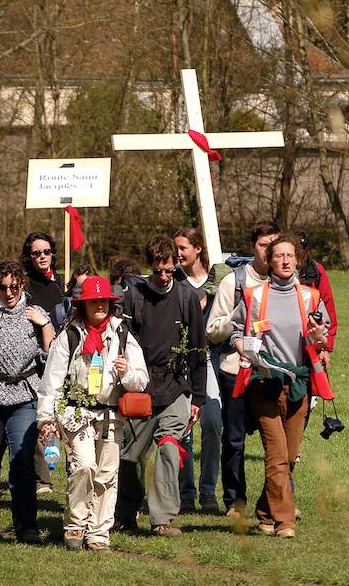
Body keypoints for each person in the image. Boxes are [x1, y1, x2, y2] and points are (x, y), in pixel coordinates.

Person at [229, 233, 329, 539]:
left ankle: (264, 511)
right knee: (275, 452)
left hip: (299, 383)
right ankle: (286, 521)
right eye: (278, 256)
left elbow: (323, 339)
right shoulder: (254, 295)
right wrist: (240, 345)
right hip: (263, 383)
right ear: (269, 261)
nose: (284, 261)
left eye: (290, 256)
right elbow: (234, 331)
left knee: (288, 456)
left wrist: (319, 337)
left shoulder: (311, 297)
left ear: (297, 259)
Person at [37, 275, 148, 551]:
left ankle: (98, 533)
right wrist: (47, 419)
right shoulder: (70, 336)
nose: (99, 305)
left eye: (104, 300)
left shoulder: (122, 334)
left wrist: (126, 372)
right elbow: (51, 381)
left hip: (111, 415)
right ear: (83, 304)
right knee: (84, 466)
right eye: (93, 301)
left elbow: (141, 380)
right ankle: (75, 524)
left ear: (110, 303)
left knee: (107, 474)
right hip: (76, 412)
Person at [115, 236, 207, 537]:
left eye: (169, 270)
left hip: (175, 386)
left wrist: (198, 397)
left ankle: (162, 519)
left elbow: (197, 349)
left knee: (169, 446)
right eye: (158, 271)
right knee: (129, 457)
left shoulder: (186, 297)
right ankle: (125, 514)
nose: (164, 276)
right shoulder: (133, 297)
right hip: (140, 387)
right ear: (149, 268)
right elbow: (120, 343)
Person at [0, 261, 54, 544]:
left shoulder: (35, 313)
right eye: (2, 287)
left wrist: (47, 326)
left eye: (14, 286)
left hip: (24, 395)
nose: (9, 292)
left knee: (22, 462)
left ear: (22, 284)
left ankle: (26, 525)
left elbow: (50, 358)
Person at [205, 220, 280, 517]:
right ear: (254, 247)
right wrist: (237, 317)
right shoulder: (233, 281)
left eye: (274, 246)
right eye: (264, 245)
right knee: (234, 439)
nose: (269, 252)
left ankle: (279, 500)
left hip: (273, 372)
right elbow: (211, 330)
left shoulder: (285, 284)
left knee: (276, 441)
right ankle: (235, 502)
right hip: (235, 370)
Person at [174, 227, 221, 513]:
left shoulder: (219, 281)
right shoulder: (173, 281)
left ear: (198, 249)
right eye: (176, 248)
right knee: (184, 429)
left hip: (210, 359)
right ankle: (187, 492)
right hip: (182, 361)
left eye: (183, 248)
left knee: (213, 423)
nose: (178, 254)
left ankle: (208, 490)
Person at [294, 231, 338, 367]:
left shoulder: (317, 271)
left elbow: (329, 308)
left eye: (300, 252)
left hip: (313, 337)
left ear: (307, 251)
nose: (297, 258)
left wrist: (326, 347)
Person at [22, 232, 63, 313]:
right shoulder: (24, 284)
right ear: (29, 257)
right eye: (37, 253)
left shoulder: (64, 281)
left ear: (52, 254)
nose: (43, 256)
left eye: (47, 251)